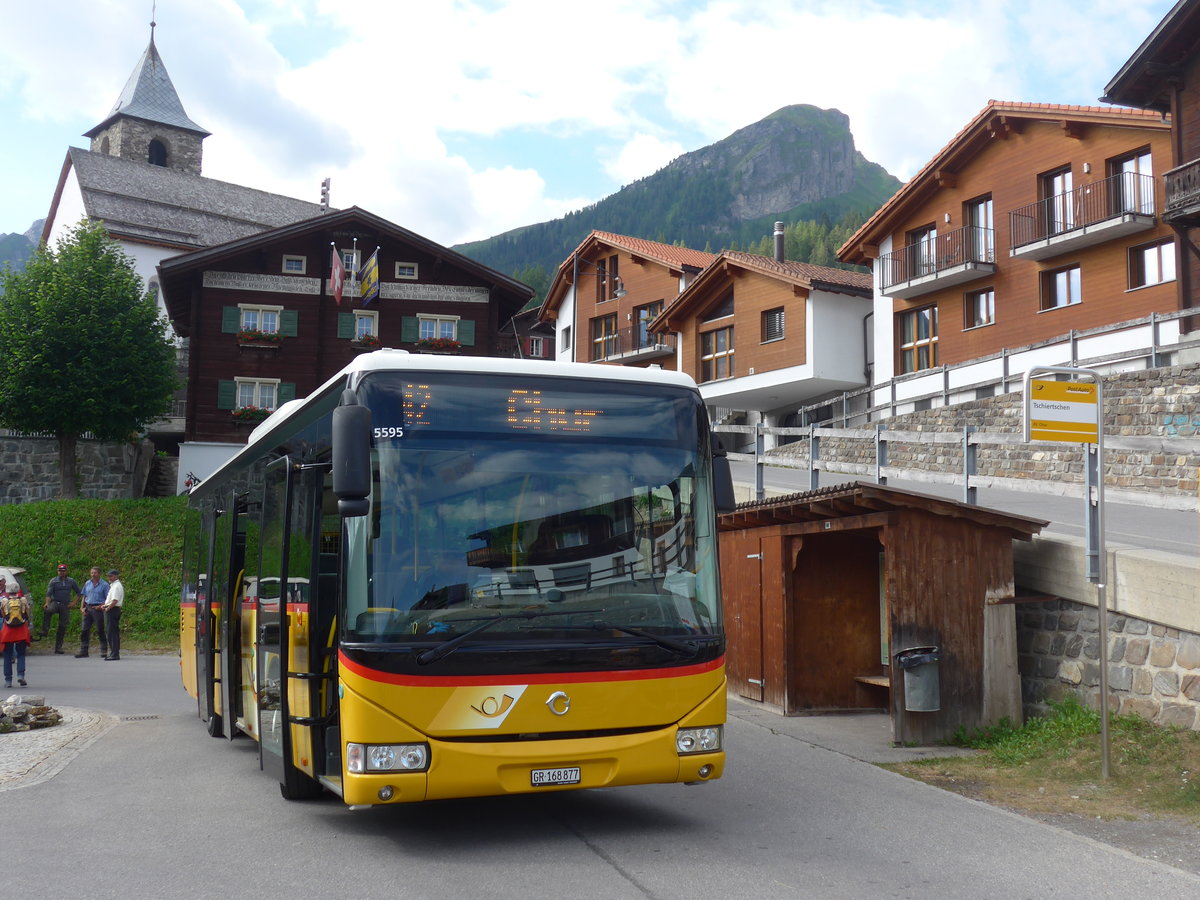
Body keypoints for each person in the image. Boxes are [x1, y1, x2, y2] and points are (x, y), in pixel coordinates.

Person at [42, 563, 82, 654]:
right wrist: (47, 603)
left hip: (65, 604)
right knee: (48, 610)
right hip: (56, 602)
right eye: (60, 571)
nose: (61, 573)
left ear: (66, 571)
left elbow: (79, 593)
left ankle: (58, 647)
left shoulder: (71, 581)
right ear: (57, 571)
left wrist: (74, 603)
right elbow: (48, 594)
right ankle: (45, 630)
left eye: (63, 571)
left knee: (62, 626)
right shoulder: (53, 581)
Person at [75, 566, 109, 658]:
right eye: (92, 573)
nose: (93, 575)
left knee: (100, 629)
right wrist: (82, 607)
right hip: (88, 607)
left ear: (99, 574)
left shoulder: (104, 585)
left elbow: (108, 599)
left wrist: (101, 606)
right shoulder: (87, 583)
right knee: (84, 630)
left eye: (95, 573)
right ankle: (84, 650)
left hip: (98, 608)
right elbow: (84, 596)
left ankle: (103, 650)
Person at [2, 584, 31, 688]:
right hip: (21, 630)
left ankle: (8, 680)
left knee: (8, 655)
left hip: (8, 631)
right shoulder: (23, 600)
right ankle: (20, 675)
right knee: (21, 654)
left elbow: (2, 614)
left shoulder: (4, 600)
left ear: (8, 590)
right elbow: (27, 614)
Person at [102, 569, 124, 661]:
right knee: (112, 631)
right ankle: (114, 652)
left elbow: (114, 600)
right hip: (113, 609)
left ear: (116, 576)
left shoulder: (116, 586)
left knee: (112, 632)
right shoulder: (114, 585)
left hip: (113, 610)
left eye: (111, 576)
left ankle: (114, 653)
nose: (109, 578)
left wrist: (108, 608)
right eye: (108, 576)